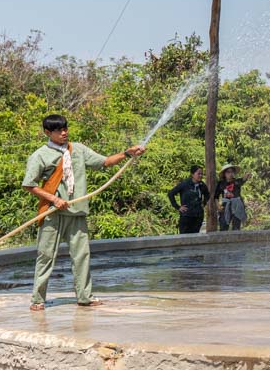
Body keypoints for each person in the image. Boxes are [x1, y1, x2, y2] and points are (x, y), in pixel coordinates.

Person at [22, 114, 145, 311]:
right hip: (52, 213)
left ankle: (85, 297)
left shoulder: (77, 149)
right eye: (58, 130)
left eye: (65, 129)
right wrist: (54, 199)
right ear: (48, 133)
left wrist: (127, 153)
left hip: (77, 211)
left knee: (81, 255)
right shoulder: (40, 155)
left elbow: (105, 162)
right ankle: (37, 299)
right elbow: (29, 185)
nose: (64, 133)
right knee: (46, 256)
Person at [168, 165, 209, 235]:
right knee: (184, 237)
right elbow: (171, 194)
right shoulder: (185, 184)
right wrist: (178, 207)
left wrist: (203, 203)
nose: (201, 175)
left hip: (198, 216)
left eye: (202, 174)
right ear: (192, 174)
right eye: (198, 173)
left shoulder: (202, 185)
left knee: (195, 236)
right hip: (186, 216)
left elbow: (207, 194)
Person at [216, 163, 248, 231]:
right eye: (228, 172)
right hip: (225, 206)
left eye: (232, 172)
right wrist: (218, 205)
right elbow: (216, 196)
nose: (230, 174)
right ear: (224, 173)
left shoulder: (237, 182)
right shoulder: (221, 183)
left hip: (237, 206)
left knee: (236, 227)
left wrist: (246, 176)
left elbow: (243, 179)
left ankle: (236, 241)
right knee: (223, 226)